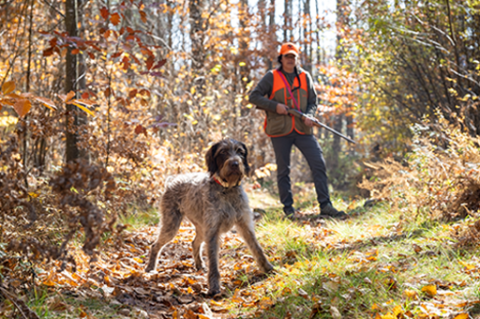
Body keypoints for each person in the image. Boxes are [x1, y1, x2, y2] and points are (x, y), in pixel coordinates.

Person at [249, 42, 347, 220]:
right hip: (280, 130)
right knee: (283, 170)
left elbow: (312, 101)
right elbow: (254, 96)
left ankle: (325, 205)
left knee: (318, 163)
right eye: (287, 56)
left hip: (302, 129)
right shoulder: (272, 77)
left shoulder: (305, 77)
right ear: (281, 58)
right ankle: (288, 209)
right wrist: (274, 106)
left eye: (293, 56)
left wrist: (310, 115)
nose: (290, 59)